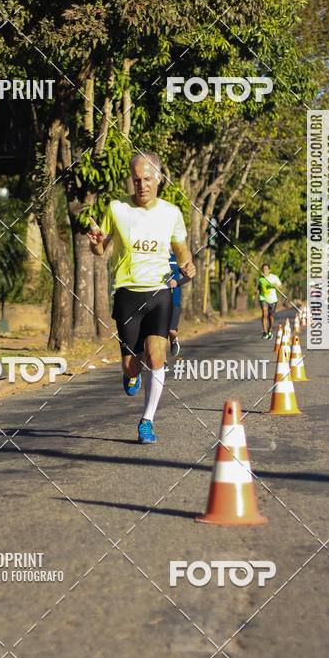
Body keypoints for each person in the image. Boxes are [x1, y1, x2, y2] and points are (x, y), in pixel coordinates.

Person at [87, 152, 196, 444]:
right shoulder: (117, 208)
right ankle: (131, 374)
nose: (142, 184)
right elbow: (101, 250)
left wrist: (186, 262)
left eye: (148, 178)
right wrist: (97, 244)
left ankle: (147, 421)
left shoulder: (172, 212)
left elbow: (181, 248)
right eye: (137, 179)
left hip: (160, 290)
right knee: (131, 364)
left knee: (156, 356)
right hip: (127, 293)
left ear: (159, 178)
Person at [165, 251, 191, 358]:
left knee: (171, 331)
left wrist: (177, 283)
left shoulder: (175, 258)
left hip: (175, 301)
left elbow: (189, 276)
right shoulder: (154, 258)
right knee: (159, 336)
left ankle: (173, 340)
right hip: (159, 301)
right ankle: (163, 363)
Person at [257, 263, 282, 339]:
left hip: (273, 299)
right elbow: (259, 286)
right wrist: (258, 291)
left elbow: (280, 287)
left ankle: (270, 329)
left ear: (269, 270)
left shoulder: (274, 277)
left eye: (266, 269)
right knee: (264, 313)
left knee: (271, 316)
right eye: (263, 269)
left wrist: (276, 286)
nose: (264, 270)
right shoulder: (261, 278)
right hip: (263, 298)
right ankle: (264, 332)